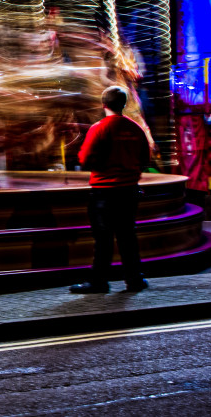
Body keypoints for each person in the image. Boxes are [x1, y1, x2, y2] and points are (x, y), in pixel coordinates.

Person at [70, 85, 152, 294]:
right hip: (129, 190)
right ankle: (134, 280)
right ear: (124, 104)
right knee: (127, 237)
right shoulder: (135, 128)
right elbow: (144, 159)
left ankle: (99, 281)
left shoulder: (99, 128)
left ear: (103, 104)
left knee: (103, 239)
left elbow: (85, 159)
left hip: (104, 191)